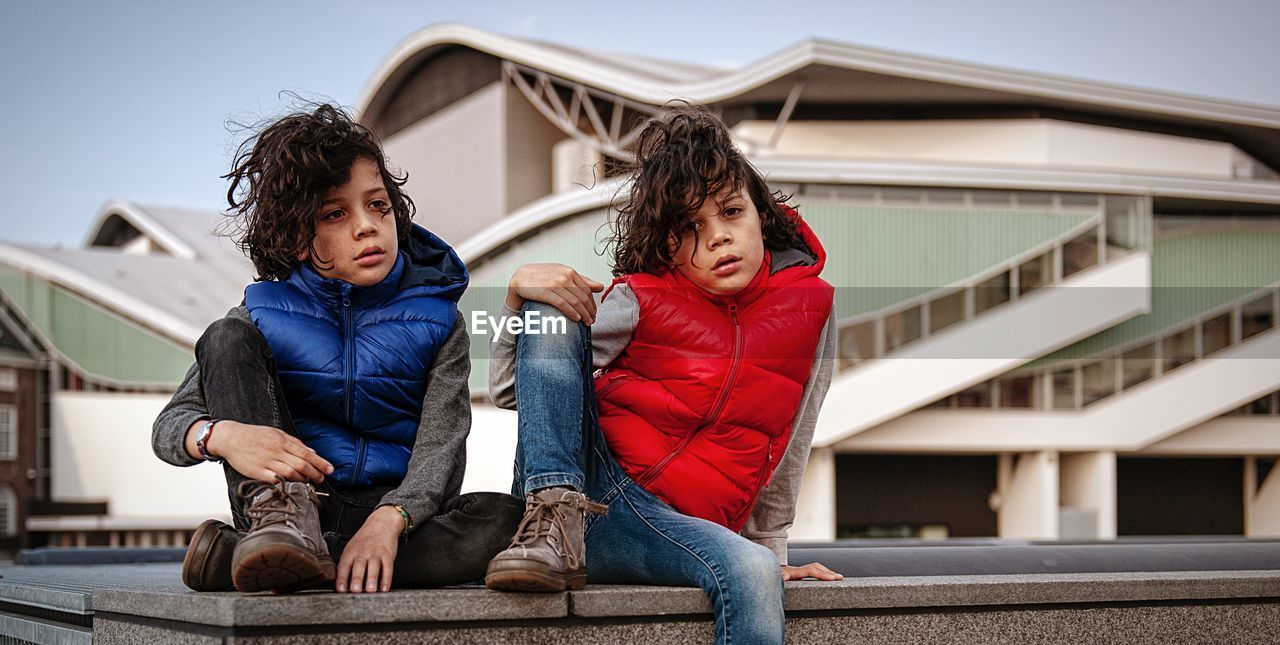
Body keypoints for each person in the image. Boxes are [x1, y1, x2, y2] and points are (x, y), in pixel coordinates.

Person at [483, 104, 842, 644]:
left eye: (730, 212)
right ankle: (553, 524)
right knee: (553, 301)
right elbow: (514, 391)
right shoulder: (641, 299)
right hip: (592, 487)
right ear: (667, 244)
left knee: (749, 570)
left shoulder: (810, 307)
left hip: (672, 528)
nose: (719, 237)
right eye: (690, 227)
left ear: (760, 214)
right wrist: (518, 300)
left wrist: (766, 550)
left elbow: (794, 433)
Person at [152, 104, 523, 594]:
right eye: (335, 214)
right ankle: (281, 536)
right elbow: (168, 428)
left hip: (392, 513)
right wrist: (221, 437)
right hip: (289, 503)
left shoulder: (440, 319)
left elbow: (443, 449)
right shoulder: (260, 313)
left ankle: (262, 560)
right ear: (299, 237)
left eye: (378, 205)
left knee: (506, 519)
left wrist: (392, 519)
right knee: (224, 336)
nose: (366, 226)